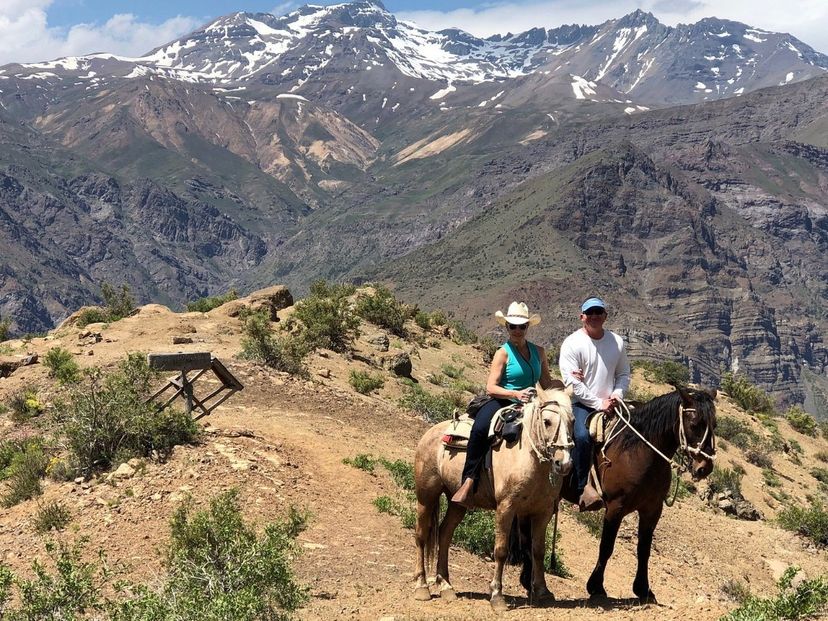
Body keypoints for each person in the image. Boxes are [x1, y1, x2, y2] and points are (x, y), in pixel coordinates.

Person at [451, 301, 556, 509]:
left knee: (558, 430)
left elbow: (547, 383)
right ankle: (469, 481)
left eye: (522, 326)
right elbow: (491, 387)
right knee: (480, 429)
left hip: (532, 404)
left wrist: (568, 384)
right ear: (506, 327)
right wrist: (516, 393)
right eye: (513, 326)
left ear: (528, 327)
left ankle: (554, 488)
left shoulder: (539, 352)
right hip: (502, 400)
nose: (517, 330)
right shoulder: (503, 352)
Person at [559, 297, 630, 511]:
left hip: (613, 402)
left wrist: (617, 396)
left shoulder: (616, 342)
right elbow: (572, 383)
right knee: (581, 436)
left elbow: (623, 373)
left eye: (599, 312)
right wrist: (599, 403)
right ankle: (582, 488)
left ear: (605, 316)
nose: (594, 316)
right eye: (590, 313)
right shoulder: (572, 343)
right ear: (582, 317)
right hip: (582, 404)